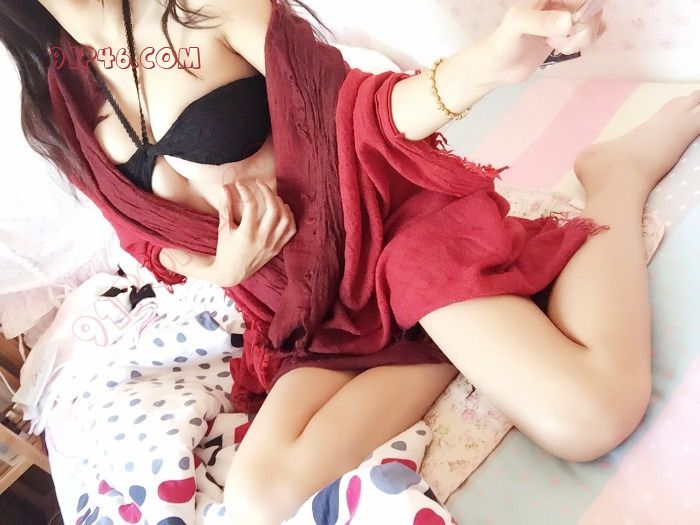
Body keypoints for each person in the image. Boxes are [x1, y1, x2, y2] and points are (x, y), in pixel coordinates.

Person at [2, 1, 698, 522]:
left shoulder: (204, 9)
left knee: (588, 419)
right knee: (258, 497)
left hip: (389, 234)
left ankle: (616, 175)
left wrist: (488, 63)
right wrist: (222, 268)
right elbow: (144, 242)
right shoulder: (58, 99)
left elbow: (358, 109)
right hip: (308, 306)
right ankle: (438, 343)